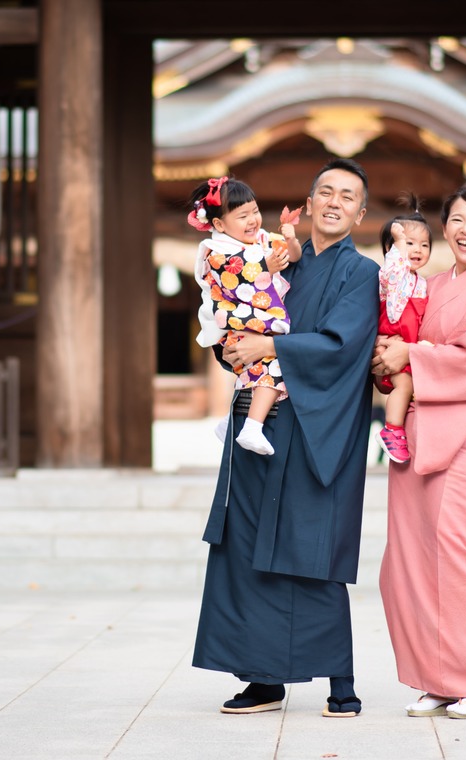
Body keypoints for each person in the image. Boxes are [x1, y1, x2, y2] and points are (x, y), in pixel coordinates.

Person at [192, 158, 380, 719]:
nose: (333, 201)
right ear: (310, 198)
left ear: (360, 212)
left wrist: (269, 350)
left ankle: (340, 682)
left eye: (347, 196)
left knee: (311, 551)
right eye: (325, 190)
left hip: (317, 429)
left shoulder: (360, 273)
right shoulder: (273, 260)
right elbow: (240, 326)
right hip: (260, 419)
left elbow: (342, 345)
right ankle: (262, 677)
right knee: (249, 550)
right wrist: (234, 351)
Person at [371, 181, 466, 720]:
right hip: (412, 428)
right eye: (457, 219)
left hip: (458, 432)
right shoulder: (429, 283)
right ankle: (439, 677)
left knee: (453, 555)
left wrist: (412, 352)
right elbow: (396, 321)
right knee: (407, 560)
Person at [189, 176, 302, 456]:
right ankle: (252, 426)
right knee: (273, 368)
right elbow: (236, 278)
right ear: (219, 224)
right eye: (242, 215)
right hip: (236, 320)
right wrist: (266, 268)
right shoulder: (216, 252)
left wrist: (290, 239)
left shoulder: (261, 240)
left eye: (254, 211)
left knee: (258, 370)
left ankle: (230, 423)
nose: (253, 220)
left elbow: (295, 257)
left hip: (253, 321)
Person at [373, 196, 432, 464]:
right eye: (410, 243)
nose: (417, 249)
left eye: (424, 244)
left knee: (411, 388)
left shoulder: (421, 282)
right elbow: (393, 274)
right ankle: (392, 429)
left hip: (409, 351)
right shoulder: (392, 275)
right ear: (391, 249)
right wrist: (398, 244)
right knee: (404, 385)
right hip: (392, 344)